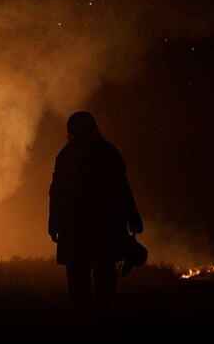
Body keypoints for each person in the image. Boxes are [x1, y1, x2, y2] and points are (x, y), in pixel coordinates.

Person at [48, 111, 143, 322]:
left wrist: (53, 223)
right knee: (104, 274)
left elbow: (56, 192)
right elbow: (123, 188)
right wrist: (133, 216)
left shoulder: (67, 155)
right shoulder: (108, 152)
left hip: (76, 227)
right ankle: (103, 320)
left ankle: (83, 322)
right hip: (105, 226)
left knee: (78, 277)